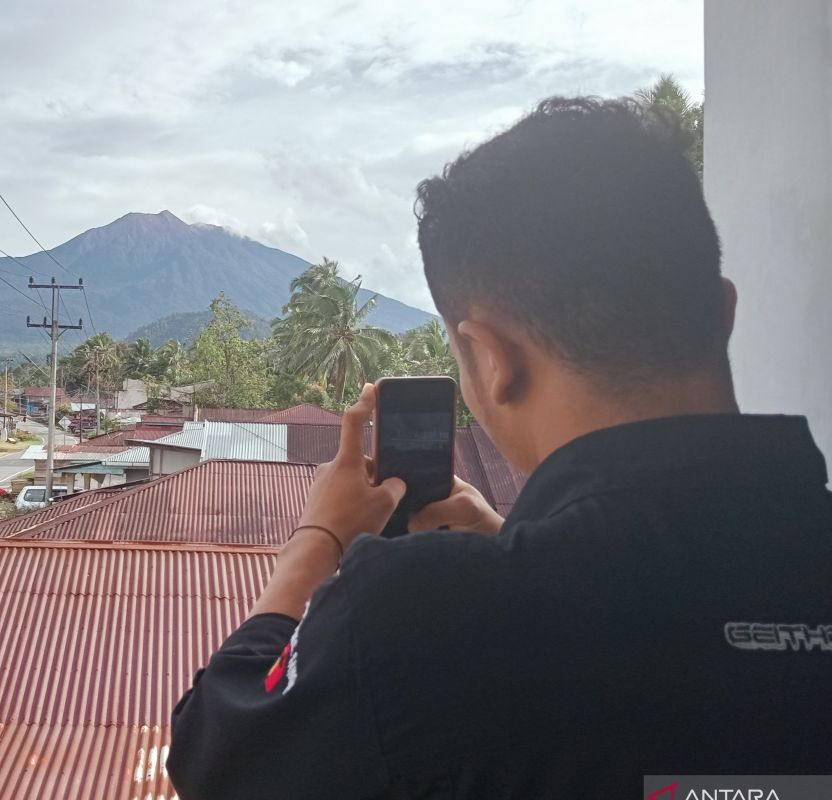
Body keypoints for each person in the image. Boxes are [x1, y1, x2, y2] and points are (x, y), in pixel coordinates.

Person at [167, 97, 832, 798]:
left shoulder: (421, 617)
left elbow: (217, 757)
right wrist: (511, 539)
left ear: (490, 361)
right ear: (723, 312)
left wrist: (321, 534)